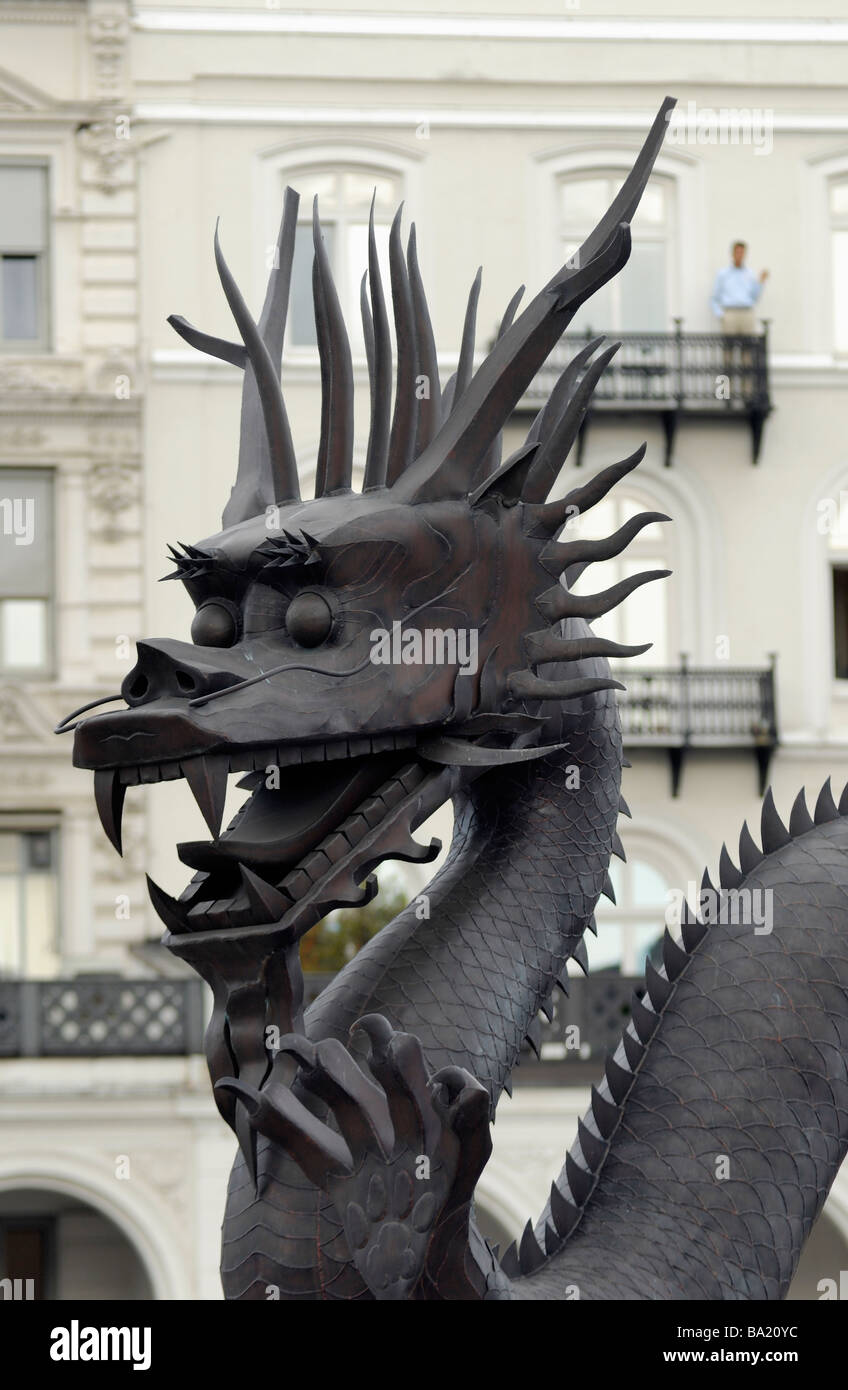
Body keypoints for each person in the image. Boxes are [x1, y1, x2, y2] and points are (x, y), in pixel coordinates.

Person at [710, 241, 769, 334]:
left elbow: (754, 297)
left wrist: (760, 282)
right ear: (732, 253)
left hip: (746, 313)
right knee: (728, 346)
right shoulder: (723, 274)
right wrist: (721, 315)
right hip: (730, 313)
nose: (739, 255)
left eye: (742, 252)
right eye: (737, 252)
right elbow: (715, 297)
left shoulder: (750, 273)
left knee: (748, 346)